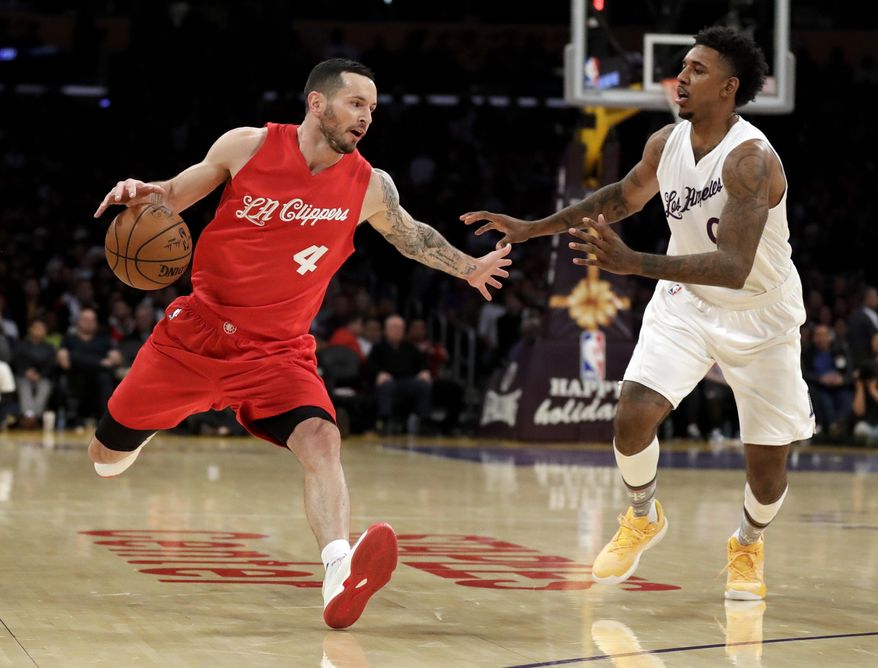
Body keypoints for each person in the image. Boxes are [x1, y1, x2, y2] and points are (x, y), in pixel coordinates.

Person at [91, 58, 511, 629]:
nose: (366, 117)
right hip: (195, 336)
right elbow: (170, 193)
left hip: (278, 352)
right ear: (318, 103)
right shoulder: (249, 146)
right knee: (105, 461)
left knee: (322, 440)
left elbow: (413, 236)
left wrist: (468, 268)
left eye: (373, 108)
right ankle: (136, 436)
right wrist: (143, 191)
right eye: (356, 103)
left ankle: (339, 570)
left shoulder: (369, 184)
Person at [461, 27, 813, 601]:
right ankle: (642, 515)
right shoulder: (665, 143)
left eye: (697, 70)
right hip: (686, 303)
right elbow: (618, 198)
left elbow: (734, 267)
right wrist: (534, 228)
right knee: (632, 415)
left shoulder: (751, 160)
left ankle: (748, 542)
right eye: (683, 67)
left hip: (760, 313)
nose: (682, 77)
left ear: (728, 87)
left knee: (768, 467)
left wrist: (632, 263)